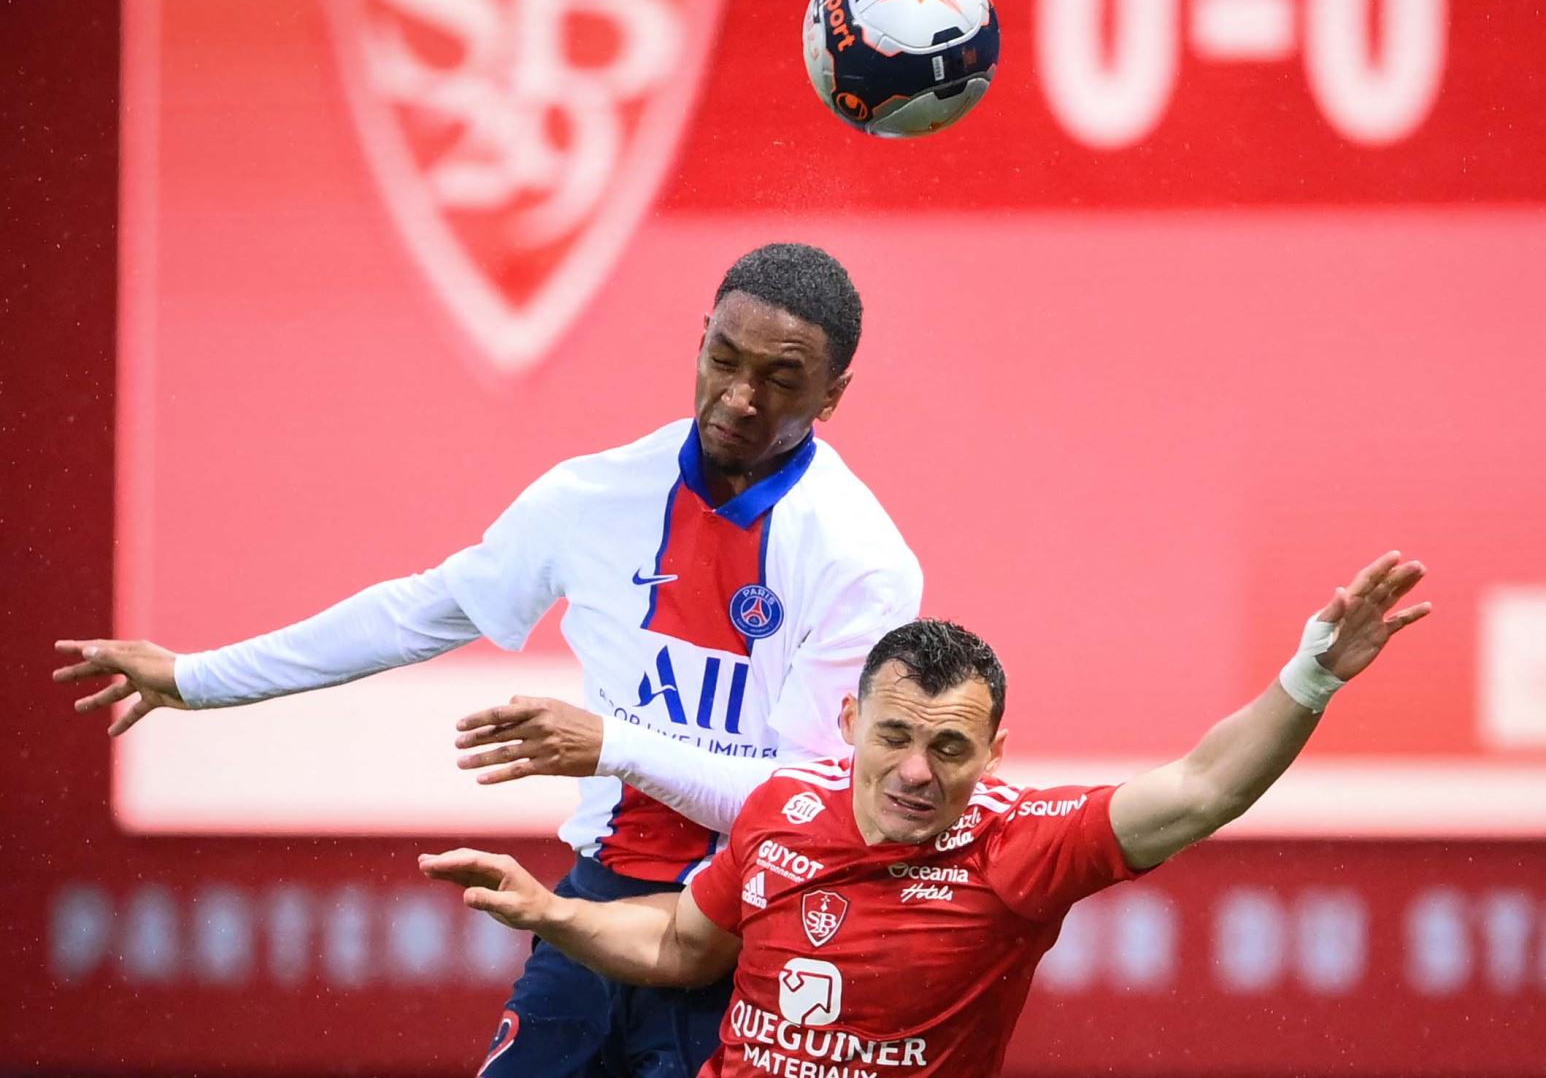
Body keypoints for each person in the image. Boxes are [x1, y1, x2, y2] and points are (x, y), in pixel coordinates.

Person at [52, 242, 924, 1078]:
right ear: (699, 338)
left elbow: (798, 807)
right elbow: (420, 611)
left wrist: (612, 745)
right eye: (723, 359)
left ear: (833, 394)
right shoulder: (596, 495)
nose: (738, 396)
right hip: (596, 911)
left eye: (780, 380)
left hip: (749, 934)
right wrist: (196, 679)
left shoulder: (861, 561)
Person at [421, 552, 1431, 1078]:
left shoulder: (1022, 848)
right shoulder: (782, 808)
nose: (915, 771)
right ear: (851, 721)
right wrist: (550, 913)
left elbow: (1205, 787)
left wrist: (1310, 676)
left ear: (994, 751)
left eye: (950, 747)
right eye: (895, 736)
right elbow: (686, 944)